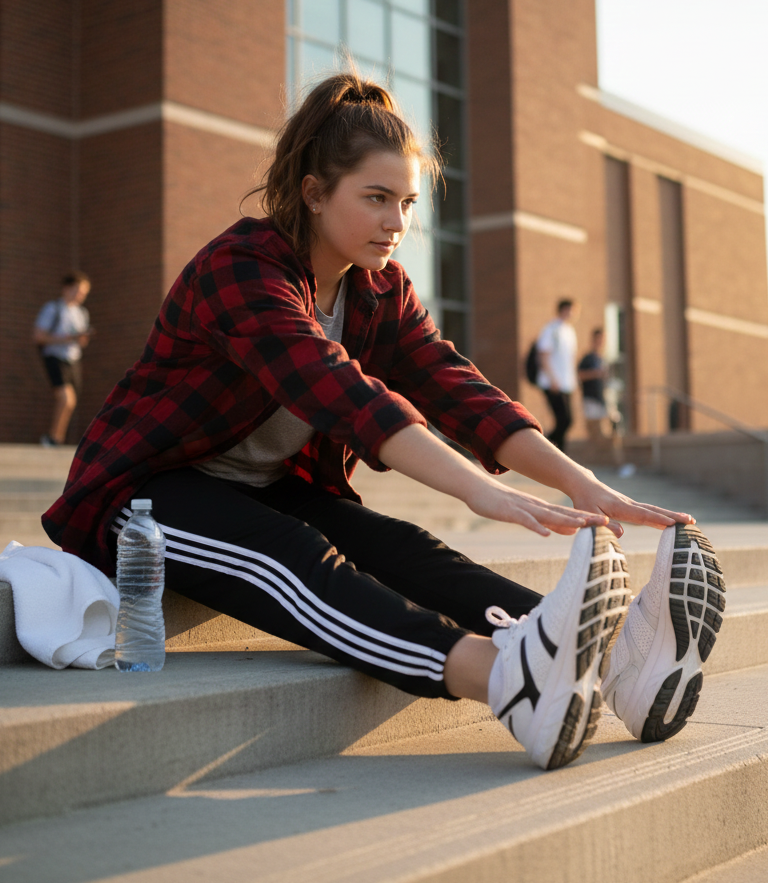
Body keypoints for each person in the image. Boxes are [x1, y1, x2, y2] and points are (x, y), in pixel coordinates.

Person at [43, 74, 723, 771]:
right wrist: (478, 491)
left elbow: (459, 389)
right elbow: (338, 392)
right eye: (375, 199)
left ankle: (621, 668)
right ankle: (504, 680)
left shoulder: (379, 290)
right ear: (313, 193)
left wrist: (586, 486)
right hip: (145, 500)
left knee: (405, 550)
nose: (396, 224)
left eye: (405, 203)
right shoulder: (240, 268)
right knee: (294, 562)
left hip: (261, 489)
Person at [33, 271, 93, 447]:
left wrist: (82, 338)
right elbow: (38, 336)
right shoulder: (53, 309)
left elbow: (80, 342)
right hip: (55, 357)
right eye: (78, 291)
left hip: (73, 360)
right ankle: (53, 437)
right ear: (66, 289)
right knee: (66, 398)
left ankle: (56, 438)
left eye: (84, 293)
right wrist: (68, 338)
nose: (81, 296)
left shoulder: (82, 312)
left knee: (71, 401)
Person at [536, 299, 578, 451]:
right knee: (564, 420)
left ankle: (559, 454)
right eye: (568, 309)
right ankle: (544, 450)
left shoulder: (570, 331)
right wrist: (553, 379)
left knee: (567, 421)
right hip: (552, 383)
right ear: (561, 310)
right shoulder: (551, 329)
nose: (571, 313)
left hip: (567, 384)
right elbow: (543, 355)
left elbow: (570, 359)